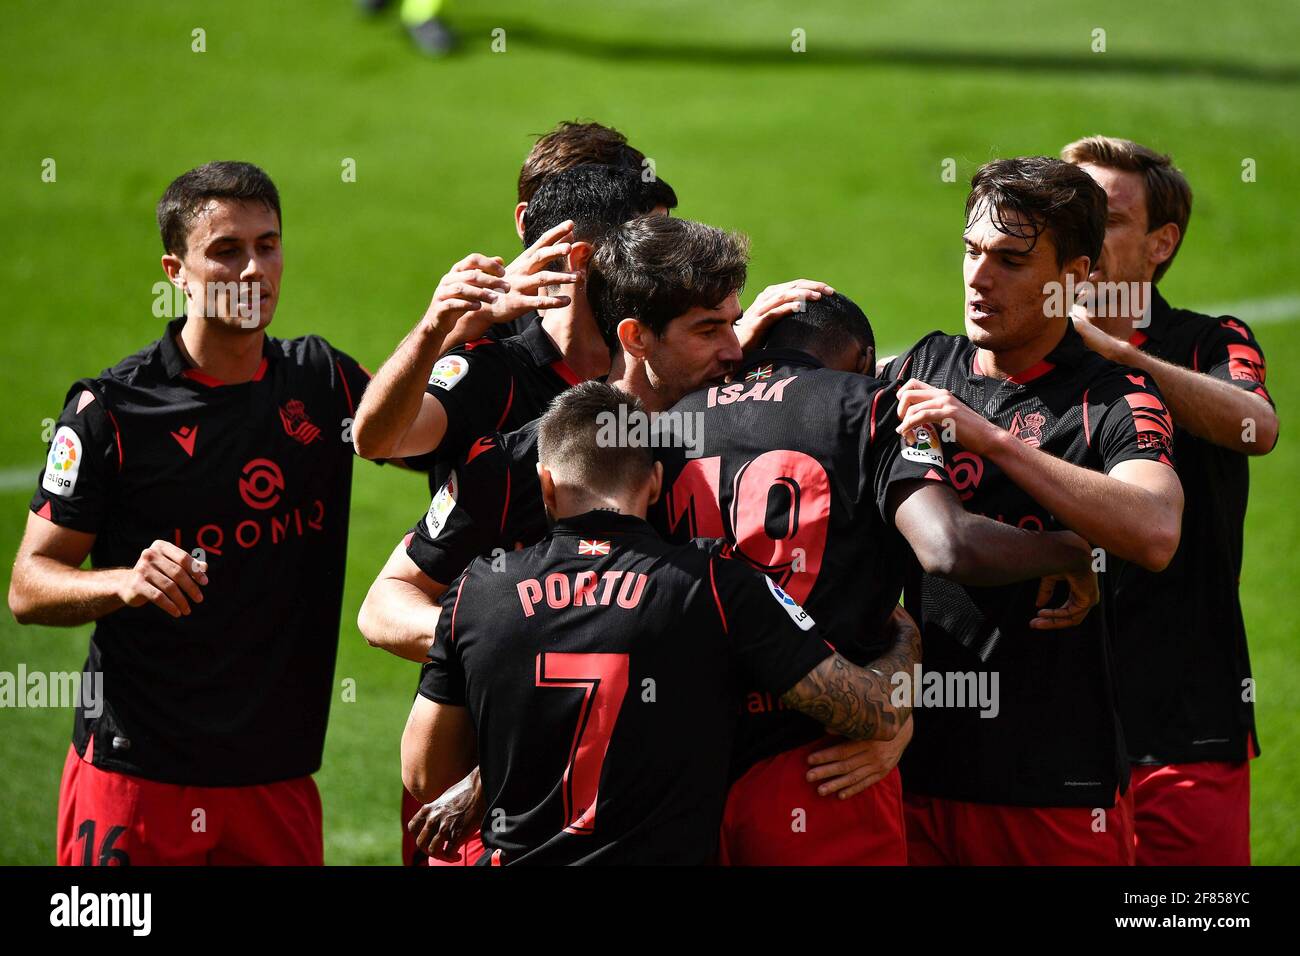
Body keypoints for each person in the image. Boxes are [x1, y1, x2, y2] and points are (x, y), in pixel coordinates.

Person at [9, 161, 375, 865]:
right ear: (176, 270)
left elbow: (436, 436)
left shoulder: (323, 382)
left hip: (274, 775)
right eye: (226, 251)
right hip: (137, 778)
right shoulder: (111, 411)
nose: (252, 270)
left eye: (267, 245)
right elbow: (29, 585)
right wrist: (119, 583)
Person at [653, 288, 1099, 865]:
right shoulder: (879, 406)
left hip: (688, 767)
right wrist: (1067, 549)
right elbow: (947, 545)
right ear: (865, 357)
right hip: (826, 766)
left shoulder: (669, 421)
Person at [400, 382, 921, 865]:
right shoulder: (717, 588)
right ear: (653, 485)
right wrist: (907, 640)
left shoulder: (477, 589)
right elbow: (875, 714)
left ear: (546, 485)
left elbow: (423, 773)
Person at [881, 156, 1185, 865]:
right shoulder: (918, 369)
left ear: (1075, 276)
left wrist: (987, 438)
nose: (979, 279)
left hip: (1051, 790)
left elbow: (1156, 528)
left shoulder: (1115, 400)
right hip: (905, 776)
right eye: (972, 251)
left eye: (1012, 261)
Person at [1062, 135, 1278, 865]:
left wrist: (1121, 358)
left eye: (1106, 217)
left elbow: (1258, 425)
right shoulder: (1009, 351)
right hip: (1043, 717)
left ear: (1162, 243)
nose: (1082, 229)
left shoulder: (1211, 342)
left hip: (1185, 716)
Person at [351, 164, 676, 475]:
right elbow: (376, 442)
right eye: (652, 252)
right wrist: (433, 328)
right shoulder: (492, 374)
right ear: (583, 260)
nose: (670, 273)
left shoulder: (672, 368)